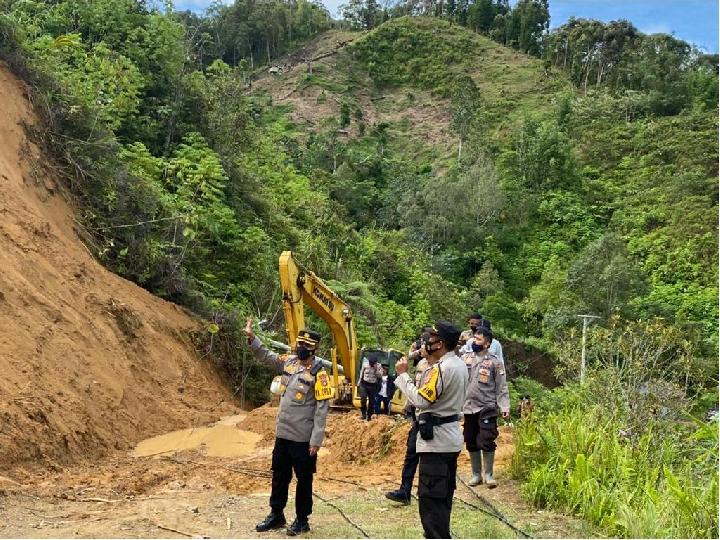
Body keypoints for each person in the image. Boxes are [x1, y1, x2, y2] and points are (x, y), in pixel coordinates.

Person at [244, 317, 333, 536]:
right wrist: (253, 338)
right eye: (299, 344)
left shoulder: (320, 374)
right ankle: (277, 514)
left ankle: (302, 519)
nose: (301, 348)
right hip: (282, 433)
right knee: (279, 475)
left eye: (306, 346)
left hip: (303, 438)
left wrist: (316, 440)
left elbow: (322, 410)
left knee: (303, 480)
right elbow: (267, 356)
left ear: (315, 349)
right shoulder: (290, 362)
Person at [394, 321, 468, 539]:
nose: (426, 344)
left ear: (440, 344)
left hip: (436, 443)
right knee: (442, 498)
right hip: (449, 439)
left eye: (431, 339)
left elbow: (421, 400)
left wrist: (402, 376)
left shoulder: (442, 369)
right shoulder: (459, 364)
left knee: (431, 500)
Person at [385, 328, 432, 505]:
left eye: (424, 344)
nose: (420, 348)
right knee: (411, 453)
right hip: (418, 417)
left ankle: (425, 491)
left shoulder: (438, 369)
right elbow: (416, 390)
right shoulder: (421, 366)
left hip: (432, 419)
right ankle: (405, 490)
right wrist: (406, 406)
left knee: (427, 458)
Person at [462, 326, 509, 488]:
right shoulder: (465, 359)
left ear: (487, 344)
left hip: (487, 406)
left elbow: (501, 387)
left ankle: (489, 474)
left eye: (479, 339)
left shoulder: (495, 362)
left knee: (487, 439)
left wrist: (504, 406)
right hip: (468, 407)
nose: (475, 342)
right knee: (470, 439)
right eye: (474, 339)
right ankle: (476, 475)